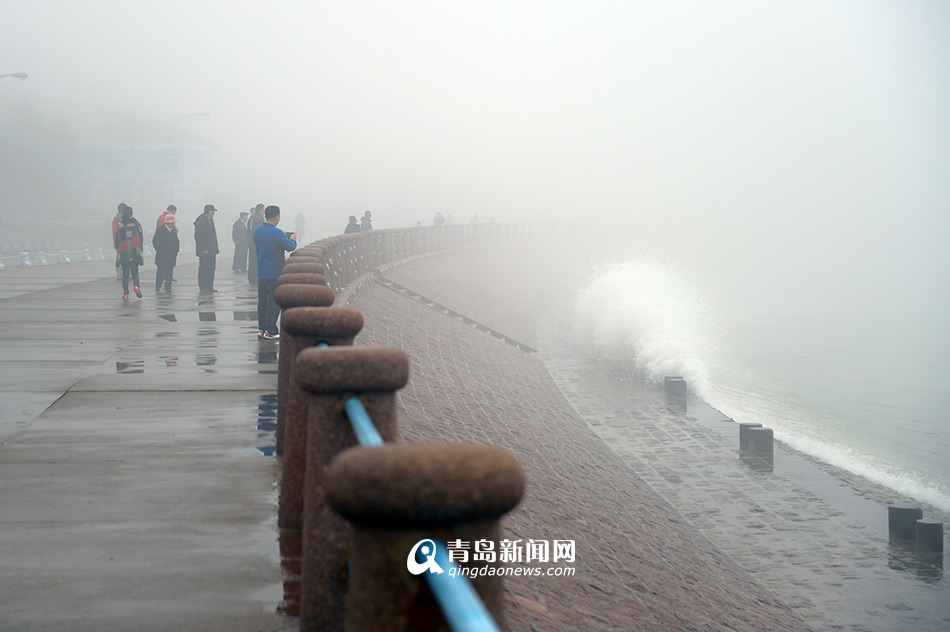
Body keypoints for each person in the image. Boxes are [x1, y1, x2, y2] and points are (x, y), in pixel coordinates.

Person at [253, 205, 297, 340]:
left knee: (263, 301)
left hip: (261, 270)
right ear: (277, 216)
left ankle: (262, 328)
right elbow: (290, 247)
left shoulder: (257, 231)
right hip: (274, 271)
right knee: (273, 301)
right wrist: (293, 238)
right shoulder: (276, 233)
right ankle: (271, 330)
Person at [114, 205, 144, 300]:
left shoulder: (120, 225)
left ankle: (126, 293)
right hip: (134, 251)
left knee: (125, 274)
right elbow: (141, 237)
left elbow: (116, 240)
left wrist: (118, 250)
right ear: (132, 214)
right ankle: (136, 286)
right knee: (135, 272)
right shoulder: (136, 224)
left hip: (124, 252)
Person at [193, 204, 219, 293]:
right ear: (209, 211)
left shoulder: (210, 220)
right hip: (205, 250)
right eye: (213, 211)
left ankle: (209, 286)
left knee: (211, 268)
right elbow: (199, 236)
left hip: (211, 249)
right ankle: (203, 286)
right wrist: (203, 248)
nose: (214, 213)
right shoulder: (201, 221)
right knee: (204, 268)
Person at [152, 214, 180, 293]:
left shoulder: (173, 231)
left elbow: (176, 242)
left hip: (171, 255)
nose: (174, 224)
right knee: (160, 271)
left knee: (169, 272)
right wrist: (160, 250)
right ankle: (158, 286)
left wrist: (176, 250)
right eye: (173, 223)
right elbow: (155, 242)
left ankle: (168, 287)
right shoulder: (160, 230)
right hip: (162, 255)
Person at [247, 203, 265, 285]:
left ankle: (253, 277)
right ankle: (254, 277)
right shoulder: (257, 218)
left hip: (254, 243)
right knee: (254, 262)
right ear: (261, 210)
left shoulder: (255, 218)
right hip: (255, 244)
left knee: (254, 261)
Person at [112, 203, 125, 280]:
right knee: (121, 259)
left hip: (117, 242)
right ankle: (120, 274)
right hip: (121, 242)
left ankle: (119, 274)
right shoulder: (120, 219)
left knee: (119, 258)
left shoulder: (115, 219)